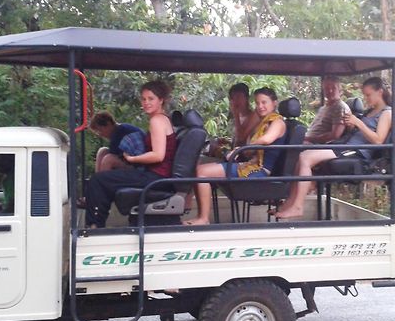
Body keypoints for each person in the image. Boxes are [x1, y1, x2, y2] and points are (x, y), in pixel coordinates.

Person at [275, 77, 392, 219]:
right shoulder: (370, 111)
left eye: (368, 95)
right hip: (346, 145)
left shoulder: (387, 113)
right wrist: (351, 125)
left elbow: (379, 140)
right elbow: (359, 132)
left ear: (379, 92)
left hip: (357, 152)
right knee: (302, 155)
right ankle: (290, 203)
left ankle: (298, 206)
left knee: (306, 158)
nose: (366, 99)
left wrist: (359, 123)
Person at [185, 87, 287, 225]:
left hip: (259, 171)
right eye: (257, 103)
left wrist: (243, 148)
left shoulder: (277, 122)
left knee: (201, 172)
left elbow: (266, 140)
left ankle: (203, 218)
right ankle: (200, 215)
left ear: (274, 103)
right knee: (200, 168)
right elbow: (250, 150)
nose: (260, 106)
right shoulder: (264, 122)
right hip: (251, 164)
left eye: (264, 102)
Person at [85, 80, 176, 228]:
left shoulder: (157, 121)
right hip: (155, 175)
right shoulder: (161, 119)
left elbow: (158, 155)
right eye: (144, 99)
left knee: (98, 180)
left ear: (161, 100)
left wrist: (133, 158)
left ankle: (94, 225)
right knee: (104, 180)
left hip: (157, 177)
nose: (146, 102)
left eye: (151, 99)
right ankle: (96, 223)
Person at [304, 75, 350, 144]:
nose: (330, 91)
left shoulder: (340, 107)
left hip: (318, 145)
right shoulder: (323, 108)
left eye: (333, 88)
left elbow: (334, 136)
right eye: (326, 88)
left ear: (339, 90)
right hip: (307, 141)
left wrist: (309, 139)